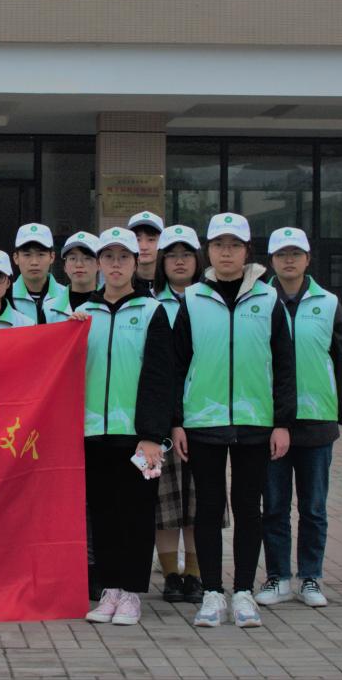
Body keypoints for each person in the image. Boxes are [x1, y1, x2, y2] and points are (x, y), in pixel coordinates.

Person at [143, 211, 295, 629]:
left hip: (256, 421)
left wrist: (282, 422)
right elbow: (177, 366)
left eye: (234, 246)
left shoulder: (268, 299)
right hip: (202, 423)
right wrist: (176, 421)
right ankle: (211, 592)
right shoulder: (192, 299)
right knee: (207, 509)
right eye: (218, 245)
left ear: (247, 251)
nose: (226, 253)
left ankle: (243, 591)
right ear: (207, 251)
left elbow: (285, 365)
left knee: (249, 508)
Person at [74, 227, 174, 626]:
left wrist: (152, 436)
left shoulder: (152, 311)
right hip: (93, 434)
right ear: (99, 263)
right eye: (108, 257)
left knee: (137, 513)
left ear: (136, 262)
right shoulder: (84, 313)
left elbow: (160, 378)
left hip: (138, 438)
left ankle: (131, 592)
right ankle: (110, 589)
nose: (115, 265)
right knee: (103, 514)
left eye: (123, 257)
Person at [257, 227, 342, 610]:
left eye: (295, 253)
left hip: (316, 420)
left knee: (313, 508)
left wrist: (339, 411)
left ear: (308, 259)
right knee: (275, 506)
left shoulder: (328, 302)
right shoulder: (259, 301)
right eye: (282, 254)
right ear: (271, 261)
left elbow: (339, 358)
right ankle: (278, 577)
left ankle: (311, 576)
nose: (289, 260)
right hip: (270, 421)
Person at [150, 224, 205, 603]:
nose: (180, 261)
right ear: (162, 262)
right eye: (172, 255)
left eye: (186, 254)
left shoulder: (209, 301)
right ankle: (171, 574)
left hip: (203, 417)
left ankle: (196, 575)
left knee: (199, 502)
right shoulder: (151, 304)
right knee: (165, 503)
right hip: (162, 420)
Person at [9, 223, 71, 324]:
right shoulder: (4, 297)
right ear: (16, 258)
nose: (34, 262)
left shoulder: (67, 296)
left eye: (41, 254)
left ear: (52, 257)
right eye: (27, 255)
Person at [61, 231, 101, 312]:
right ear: (65, 266)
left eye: (87, 258)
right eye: (73, 258)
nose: (79, 264)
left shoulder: (111, 306)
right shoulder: (48, 307)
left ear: (99, 264)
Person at [128, 211, 163, 295]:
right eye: (137, 240)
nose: (144, 247)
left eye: (151, 239)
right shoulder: (120, 286)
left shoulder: (173, 284)